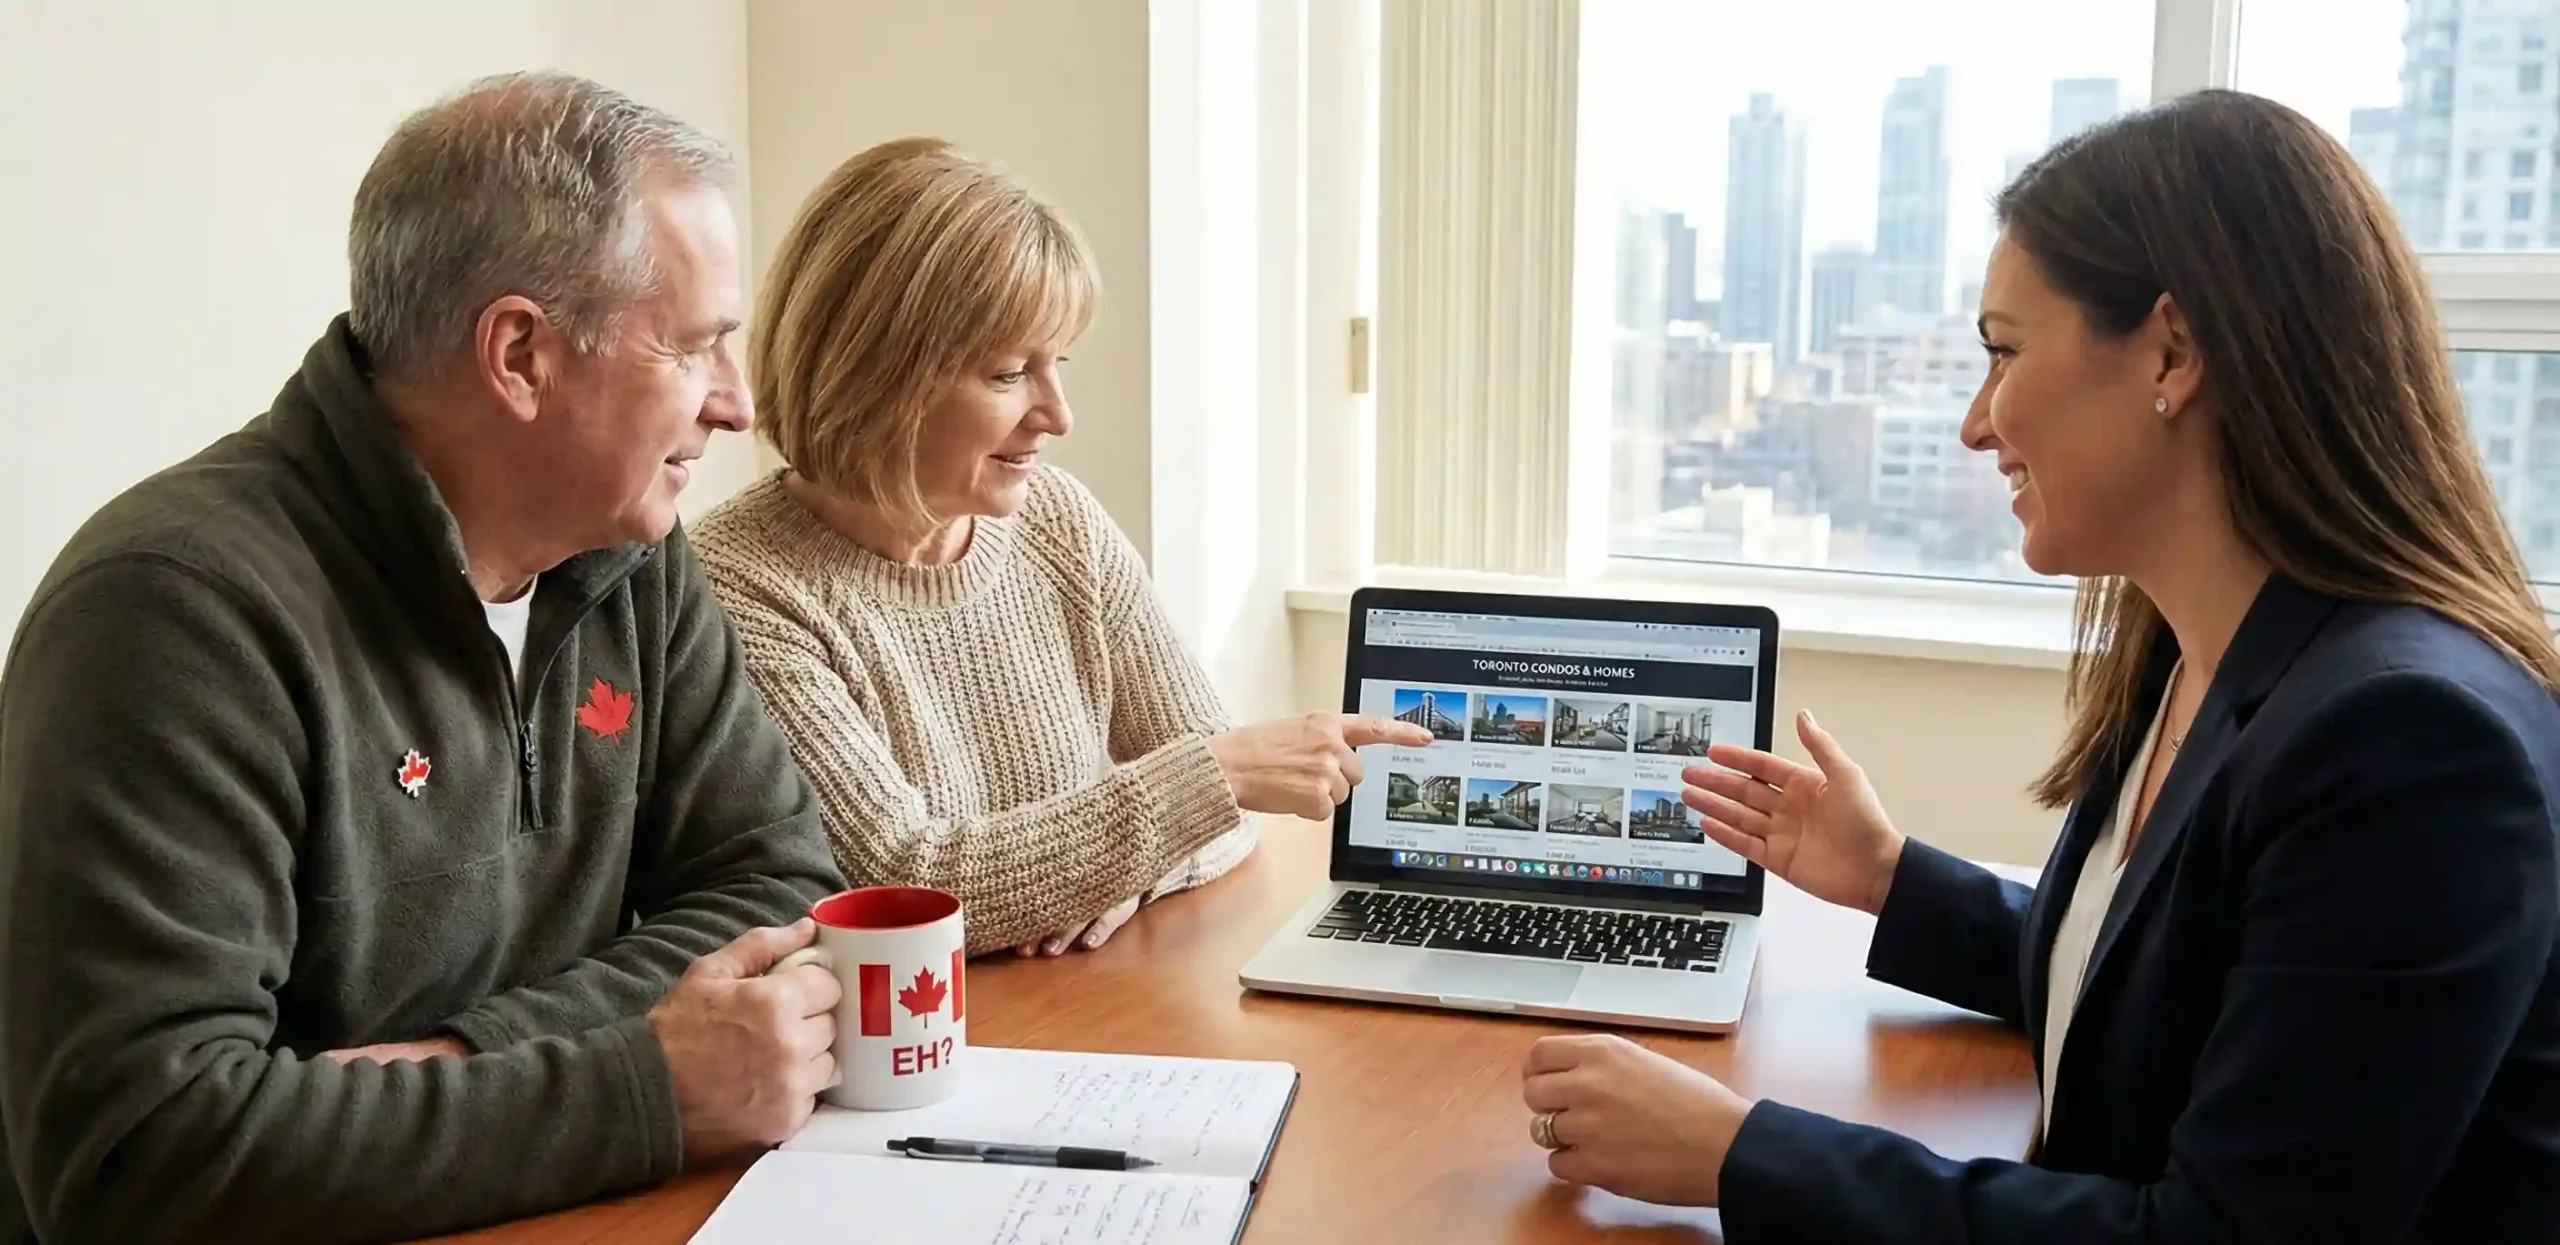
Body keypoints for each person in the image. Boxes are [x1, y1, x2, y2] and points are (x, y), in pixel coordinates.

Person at [1519, 90, 2560, 1242]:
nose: (1976, 423)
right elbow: (2170, 984)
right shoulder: (2193, 649)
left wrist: (1737, 1154)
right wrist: (1888, 877)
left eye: (2002, 353)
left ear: (2173, 351)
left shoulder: (2410, 744)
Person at [0, 73, 850, 1243]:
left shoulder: (628, 552)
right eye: (697, 348)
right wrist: (638, 1087)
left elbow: (782, 889)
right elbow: (134, 1154)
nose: (737, 405)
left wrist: (466, 1058)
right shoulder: (170, 613)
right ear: (520, 356)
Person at [693, 138, 1430, 958]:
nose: (1058, 413)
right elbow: (902, 888)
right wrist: (1199, 788)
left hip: (1081, 1018)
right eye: (1010, 373)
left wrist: (1139, 862)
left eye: (1059, 363)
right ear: (877, 377)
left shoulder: (1057, 520)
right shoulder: (741, 583)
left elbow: (1225, 804)